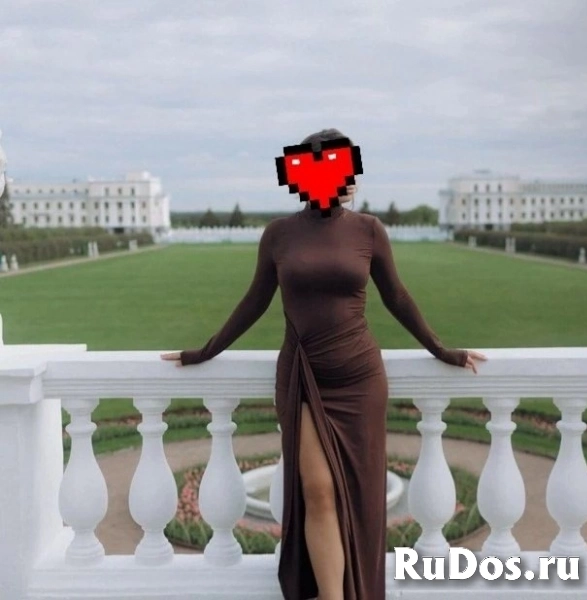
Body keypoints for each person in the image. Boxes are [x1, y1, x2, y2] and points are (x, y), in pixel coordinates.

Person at [161, 128, 487, 600]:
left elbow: (396, 296)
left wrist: (442, 350)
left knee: (360, 495)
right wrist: (205, 351)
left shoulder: (368, 230)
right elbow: (255, 301)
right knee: (316, 489)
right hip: (304, 375)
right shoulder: (279, 235)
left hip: (359, 378)